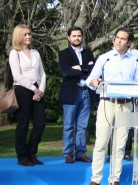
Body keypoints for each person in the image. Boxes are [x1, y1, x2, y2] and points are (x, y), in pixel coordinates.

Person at [86, 27, 138, 185]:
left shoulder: (135, 61)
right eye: (117, 37)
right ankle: (95, 179)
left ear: (129, 42)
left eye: (123, 38)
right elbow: (90, 78)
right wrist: (94, 81)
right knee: (101, 143)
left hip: (126, 106)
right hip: (107, 104)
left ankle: (115, 179)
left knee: (120, 145)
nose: (119, 40)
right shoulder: (105, 58)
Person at [9, 24, 46, 166]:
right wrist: (33, 89)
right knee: (23, 123)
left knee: (40, 122)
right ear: (19, 36)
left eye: (29, 34)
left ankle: (32, 153)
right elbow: (17, 76)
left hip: (37, 90)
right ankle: (22, 156)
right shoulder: (15, 53)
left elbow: (42, 73)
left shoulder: (35, 52)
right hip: (23, 89)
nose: (28, 36)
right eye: (25, 34)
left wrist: (40, 90)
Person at [58, 26, 97, 163]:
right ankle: (68, 153)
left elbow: (93, 71)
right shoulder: (63, 54)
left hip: (86, 93)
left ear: (82, 37)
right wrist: (85, 68)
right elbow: (65, 72)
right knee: (68, 125)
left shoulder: (88, 53)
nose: (76, 38)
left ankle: (80, 153)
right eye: (73, 36)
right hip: (70, 93)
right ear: (69, 38)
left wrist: (78, 68)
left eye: (79, 35)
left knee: (82, 126)